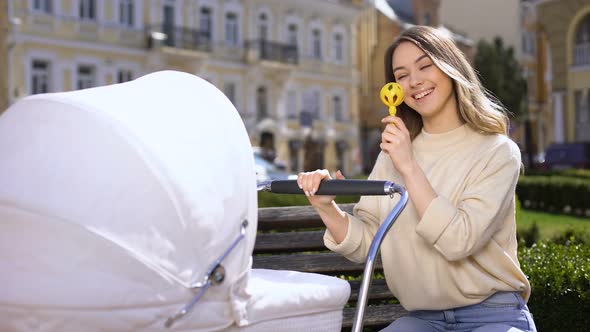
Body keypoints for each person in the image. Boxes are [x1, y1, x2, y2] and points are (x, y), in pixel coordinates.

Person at [297, 26, 536, 332]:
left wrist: (408, 166)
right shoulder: (392, 155)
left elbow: (458, 241)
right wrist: (326, 207)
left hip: (492, 314)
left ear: (451, 67)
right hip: (422, 319)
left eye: (425, 66)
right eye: (401, 75)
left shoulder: (497, 152)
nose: (414, 82)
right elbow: (366, 243)